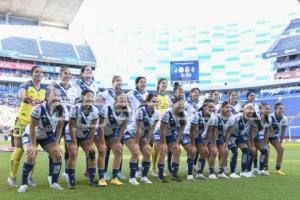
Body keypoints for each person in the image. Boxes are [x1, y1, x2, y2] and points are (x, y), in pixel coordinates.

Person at [18, 87, 65, 193]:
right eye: (55, 95)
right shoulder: (38, 108)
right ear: (47, 97)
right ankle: (24, 183)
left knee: (57, 154)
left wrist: (57, 144)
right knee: (31, 154)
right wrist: (33, 145)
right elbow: (32, 128)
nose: (57, 98)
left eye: (58, 96)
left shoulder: (61, 110)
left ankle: (54, 183)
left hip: (46, 137)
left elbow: (59, 129)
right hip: (31, 135)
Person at [8, 65, 47, 188]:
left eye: (41, 72)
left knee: (33, 150)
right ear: (32, 74)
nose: (39, 74)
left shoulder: (45, 89)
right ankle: (12, 177)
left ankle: (29, 177)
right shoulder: (25, 85)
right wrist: (30, 101)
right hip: (22, 121)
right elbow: (20, 95)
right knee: (19, 149)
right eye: (36, 72)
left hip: (35, 124)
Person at [48, 67, 79, 185]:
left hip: (70, 121)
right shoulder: (54, 87)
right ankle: (51, 175)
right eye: (65, 73)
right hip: (57, 121)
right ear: (60, 75)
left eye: (70, 74)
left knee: (69, 148)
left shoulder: (74, 90)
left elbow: (76, 105)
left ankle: (67, 172)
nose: (68, 76)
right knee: (54, 147)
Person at [65, 89, 99, 189]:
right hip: (71, 133)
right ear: (82, 97)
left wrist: (91, 144)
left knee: (92, 153)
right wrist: (74, 142)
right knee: (73, 152)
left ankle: (91, 179)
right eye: (88, 95)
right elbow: (71, 127)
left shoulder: (95, 110)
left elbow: (92, 128)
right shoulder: (75, 108)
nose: (90, 98)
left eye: (91, 96)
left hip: (84, 134)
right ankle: (71, 180)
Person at [123, 93, 160, 185]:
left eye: (156, 102)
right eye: (153, 101)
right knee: (135, 151)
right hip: (131, 134)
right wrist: (136, 143)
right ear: (147, 102)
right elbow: (138, 129)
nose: (154, 103)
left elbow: (151, 130)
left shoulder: (157, 113)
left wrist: (147, 143)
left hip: (143, 135)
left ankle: (144, 177)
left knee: (147, 151)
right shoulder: (140, 111)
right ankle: (132, 178)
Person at [98, 90, 130, 186]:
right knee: (103, 149)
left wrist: (118, 140)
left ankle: (114, 177)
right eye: (121, 98)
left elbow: (123, 127)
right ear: (116, 99)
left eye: (125, 98)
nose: (124, 100)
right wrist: (103, 142)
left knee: (118, 148)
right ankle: (101, 177)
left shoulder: (128, 110)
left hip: (112, 134)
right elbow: (101, 126)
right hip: (100, 132)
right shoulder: (107, 108)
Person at [153, 97, 187, 182]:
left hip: (170, 134)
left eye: (182, 105)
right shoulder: (167, 113)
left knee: (177, 150)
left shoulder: (183, 115)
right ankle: (160, 175)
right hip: (159, 134)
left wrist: (176, 143)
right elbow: (161, 129)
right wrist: (164, 143)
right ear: (173, 104)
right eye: (179, 104)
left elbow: (181, 130)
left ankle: (174, 175)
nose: (181, 107)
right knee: (163, 151)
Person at [98, 75, 123, 180]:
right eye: (117, 80)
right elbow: (98, 100)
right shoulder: (107, 92)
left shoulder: (123, 94)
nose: (119, 82)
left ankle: (118, 172)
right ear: (112, 82)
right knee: (105, 149)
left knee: (118, 147)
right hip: (105, 122)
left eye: (121, 81)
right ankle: (103, 172)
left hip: (115, 124)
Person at [190, 99, 217, 180]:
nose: (212, 109)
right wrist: (193, 145)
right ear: (204, 107)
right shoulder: (197, 115)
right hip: (187, 134)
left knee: (205, 151)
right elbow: (191, 131)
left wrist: (205, 145)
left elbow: (209, 132)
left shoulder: (213, 117)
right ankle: (189, 174)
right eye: (210, 107)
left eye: (213, 107)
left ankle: (199, 173)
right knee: (192, 151)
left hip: (198, 135)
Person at [231, 102, 257, 178]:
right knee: (234, 151)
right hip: (230, 135)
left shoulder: (252, 120)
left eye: (252, 109)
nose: (251, 111)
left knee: (247, 150)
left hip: (239, 136)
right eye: (249, 109)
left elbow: (251, 134)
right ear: (244, 110)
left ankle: (244, 171)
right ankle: (232, 172)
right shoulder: (236, 117)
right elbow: (228, 128)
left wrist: (252, 146)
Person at [151, 78, 170, 177]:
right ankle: (153, 168)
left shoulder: (168, 97)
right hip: (156, 125)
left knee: (164, 146)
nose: (164, 85)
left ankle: (160, 167)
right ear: (158, 85)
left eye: (166, 83)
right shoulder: (155, 96)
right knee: (156, 146)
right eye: (163, 83)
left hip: (166, 125)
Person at [215, 101, 235, 179]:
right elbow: (213, 131)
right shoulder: (216, 117)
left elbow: (228, 133)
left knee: (225, 152)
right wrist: (213, 144)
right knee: (211, 152)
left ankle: (221, 172)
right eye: (227, 107)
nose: (229, 109)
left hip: (220, 137)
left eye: (230, 107)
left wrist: (226, 145)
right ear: (222, 108)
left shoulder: (232, 118)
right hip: (211, 136)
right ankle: (210, 172)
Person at [269, 102, 288, 175]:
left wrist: (280, 143)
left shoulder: (285, 118)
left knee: (281, 149)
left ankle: (278, 169)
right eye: (280, 109)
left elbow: (282, 132)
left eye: (283, 109)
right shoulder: (270, 117)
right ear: (275, 109)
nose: (282, 110)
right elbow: (265, 130)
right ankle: (263, 168)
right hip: (264, 135)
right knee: (266, 149)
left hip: (274, 136)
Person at [255, 103, 271, 176]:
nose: (268, 110)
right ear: (261, 110)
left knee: (265, 150)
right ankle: (251, 169)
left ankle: (261, 169)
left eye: (269, 109)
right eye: (266, 108)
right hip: (251, 137)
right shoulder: (257, 118)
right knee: (251, 151)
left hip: (259, 138)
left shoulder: (268, 119)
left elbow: (267, 131)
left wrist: (265, 142)